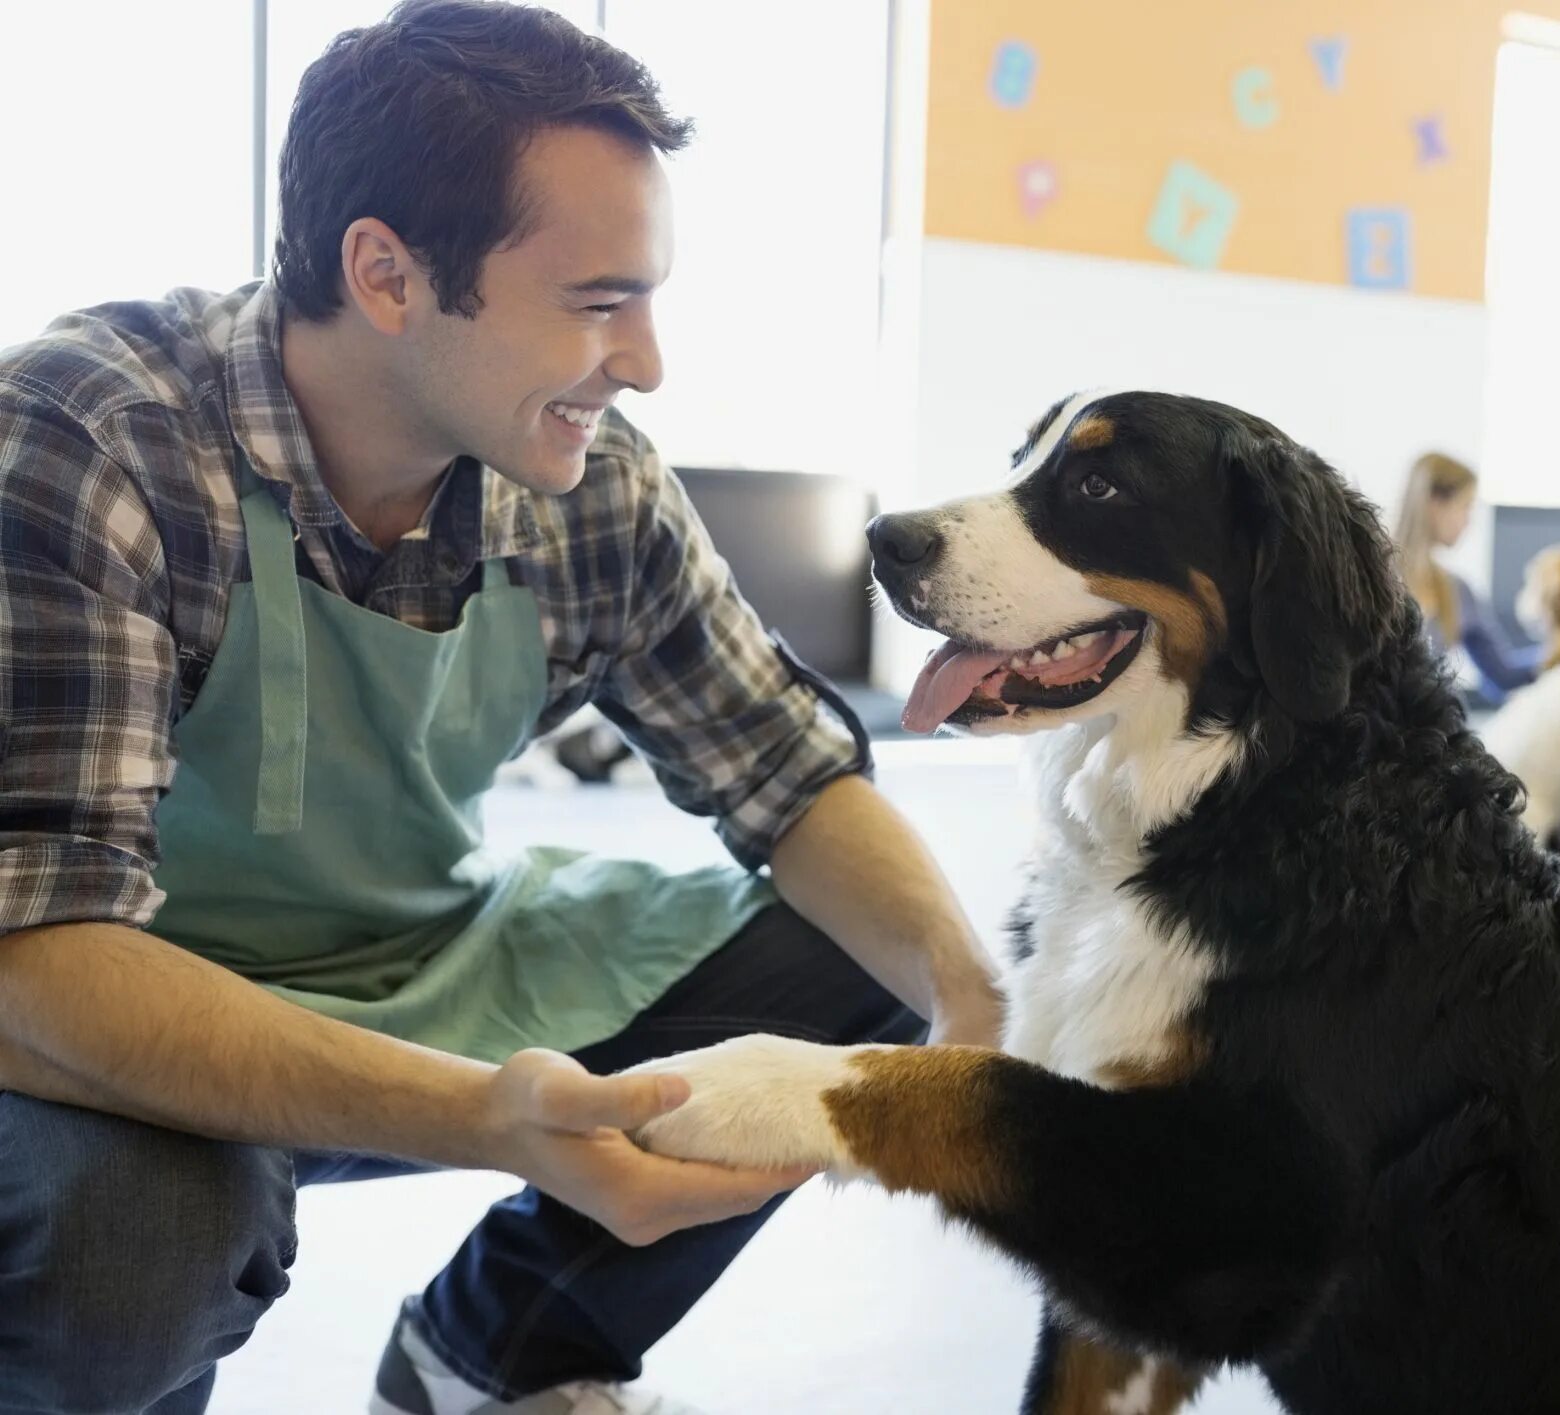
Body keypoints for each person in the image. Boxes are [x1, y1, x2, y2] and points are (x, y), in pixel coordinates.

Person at [0, 6, 1004, 1414]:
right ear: (388, 274)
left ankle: (488, 1356)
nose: (645, 361)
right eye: (599, 303)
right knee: (146, 1232)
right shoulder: (93, 434)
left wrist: (975, 1007)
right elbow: (35, 959)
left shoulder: (598, 486)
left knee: (856, 959)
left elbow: (790, 774)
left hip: (433, 949)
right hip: (102, 990)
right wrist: (495, 1120)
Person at [1392, 451, 1541, 703]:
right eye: (1465, 507)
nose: (1468, 521)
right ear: (1435, 503)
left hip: (1424, 730)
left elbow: (1502, 674)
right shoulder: (1368, 581)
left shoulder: (1458, 592)